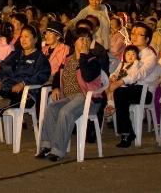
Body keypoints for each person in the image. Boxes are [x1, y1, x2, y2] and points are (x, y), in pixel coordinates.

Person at [0, 23, 52, 149]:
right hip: (5, 90)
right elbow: (1, 69)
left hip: (25, 95)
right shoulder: (16, 54)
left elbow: (43, 76)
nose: (23, 39)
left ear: (35, 39)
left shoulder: (40, 58)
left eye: (26, 36)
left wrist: (24, 83)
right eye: (21, 36)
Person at [36, 28, 109, 161]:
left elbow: (87, 77)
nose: (84, 42)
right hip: (69, 98)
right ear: (75, 42)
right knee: (51, 108)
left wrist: (83, 56)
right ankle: (47, 146)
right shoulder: (67, 59)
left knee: (65, 112)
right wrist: (56, 87)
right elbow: (58, 75)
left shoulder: (93, 60)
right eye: (81, 39)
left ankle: (57, 151)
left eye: (88, 39)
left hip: (88, 99)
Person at [109, 21, 161, 148]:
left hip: (144, 90)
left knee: (120, 92)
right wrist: (113, 77)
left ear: (147, 39)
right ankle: (125, 131)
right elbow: (120, 68)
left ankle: (126, 132)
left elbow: (139, 74)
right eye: (133, 33)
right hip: (127, 88)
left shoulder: (150, 56)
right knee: (109, 89)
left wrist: (120, 82)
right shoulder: (129, 51)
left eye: (139, 34)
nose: (134, 36)